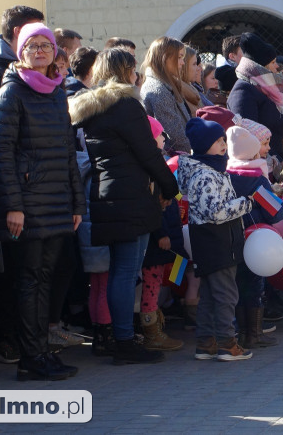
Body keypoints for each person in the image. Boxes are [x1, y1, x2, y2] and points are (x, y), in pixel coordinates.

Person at [67, 47, 181, 362]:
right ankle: (124, 342)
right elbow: (148, 153)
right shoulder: (126, 104)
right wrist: (170, 186)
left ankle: (121, 338)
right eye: (133, 69)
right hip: (131, 196)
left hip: (107, 195)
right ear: (125, 71)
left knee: (119, 270)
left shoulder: (92, 106)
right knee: (126, 272)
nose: (136, 75)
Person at [0, 23, 85, 381]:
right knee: (29, 281)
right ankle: (30, 360)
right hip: (27, 205)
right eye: (33, 45)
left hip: (57, 201)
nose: (41, 50)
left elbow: (67, 152)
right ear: (21, 52)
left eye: (46, 44)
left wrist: (77, 204)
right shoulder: (11, 93)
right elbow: (2, 155)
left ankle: (41, 352)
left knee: (45, 279)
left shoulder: (57, 92)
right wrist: (13, 206)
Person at [176, 118, 254, 360]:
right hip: (217, 241)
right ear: (203, 145)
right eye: (217, 141)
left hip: (211, 240)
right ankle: (227, 343)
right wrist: (245, 203)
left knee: (210, 294)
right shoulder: (205, 175)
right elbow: (216, 212)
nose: (223, 144)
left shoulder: (210, 170)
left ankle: (206, 342)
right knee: (226, 295)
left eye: (223, 140)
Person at [225, 123, 283, 349]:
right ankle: (254, 334)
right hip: (256, 239)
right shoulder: (256, 179)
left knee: (237, 285)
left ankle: (242, 332)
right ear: (253, 153)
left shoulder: (226, 175)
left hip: (232, 238)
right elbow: (274, 212)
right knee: (253, 285)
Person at [227, 33, 283, 161]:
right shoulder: (243, 91)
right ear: (261, 67)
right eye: (273, 62)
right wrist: (274, 160)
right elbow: (247, 135)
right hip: (265, 161)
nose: (277, 66)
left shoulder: (267, 88)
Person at [141, 37, 194, 153]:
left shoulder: (165, 85)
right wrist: (191, 153)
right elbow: (174, 133)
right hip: (177, 156)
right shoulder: (158, 90)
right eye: (179, 57)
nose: (182, 62)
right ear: (165, 58)